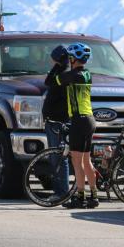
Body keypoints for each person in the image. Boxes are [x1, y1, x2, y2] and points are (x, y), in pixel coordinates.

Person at [52, 42, 98, 208]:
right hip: (90, 119)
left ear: (72, 58)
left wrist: (59, 63)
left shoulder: (72, 75)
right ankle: (93, 196)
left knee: (76, 162)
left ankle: (80, 197)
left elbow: (52, 81)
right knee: (87, 161)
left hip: (78, 120)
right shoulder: (87, 74)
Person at [43, 45, 70, 201]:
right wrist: (57, 65)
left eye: (54, 58)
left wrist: (58, 66)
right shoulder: (60, 70)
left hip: (58, 121)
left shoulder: (64, 74)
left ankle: (62, 192)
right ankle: (59, 191)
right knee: (55, 158)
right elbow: (48, 81)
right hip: (52, 120)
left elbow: (50, 82)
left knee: (60, 157)